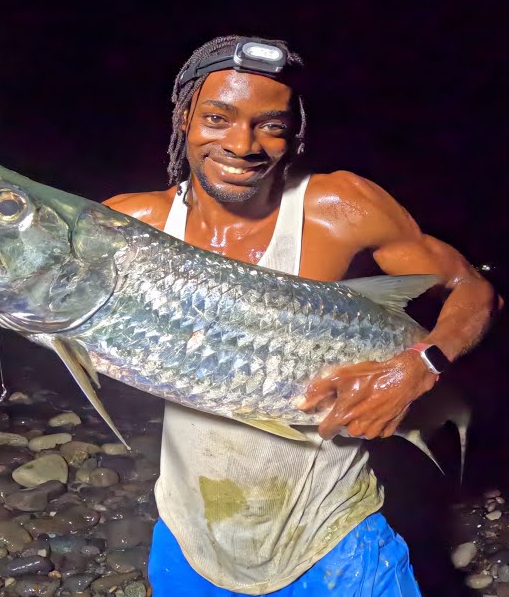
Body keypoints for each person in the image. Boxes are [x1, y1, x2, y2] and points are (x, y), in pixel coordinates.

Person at [101, 35, 502, 595]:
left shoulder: (339, 207)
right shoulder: (130, 225)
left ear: (294, 133)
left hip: (333, 533)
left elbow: (474, 291)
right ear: (184, 117)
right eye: (218, 117)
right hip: (191, 538)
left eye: (271, 125)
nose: (242, 144)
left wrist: (419, 368)